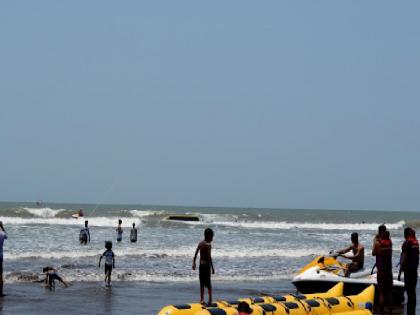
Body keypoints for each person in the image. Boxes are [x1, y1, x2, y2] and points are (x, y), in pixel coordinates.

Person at [372, 225, 393, 315]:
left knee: (381, 292)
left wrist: (375, 240)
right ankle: (390, 311)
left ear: (379, 232)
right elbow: (388, 238)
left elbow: (373, 253)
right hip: (389, 270)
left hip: (381, 272)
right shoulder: (390, 242)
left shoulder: (378, 243)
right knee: (389, 292)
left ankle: (382, 312)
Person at [398, 227, 419, 315]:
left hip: (408, 271)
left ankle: (410, 312)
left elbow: (403, 257)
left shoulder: (406, 243)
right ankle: (412, 312)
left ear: (405, 234)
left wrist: (400, 271)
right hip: (414, 270)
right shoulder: (416, 242)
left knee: (409, 292)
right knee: (412, 292)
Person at [192, 228, 215, 305]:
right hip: (206, 267)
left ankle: (202, 299)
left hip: (201, 266)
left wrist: (194, 262)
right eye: (211, 237)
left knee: (202, 283)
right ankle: (210, 299)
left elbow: (195, 253)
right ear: (207, 236)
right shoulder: (208, 245)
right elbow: (209, 257)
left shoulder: (200, 243)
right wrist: (212, 267)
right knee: (208, 284)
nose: (212, 239)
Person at [0, 222, 7, 296]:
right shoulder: (2, 233)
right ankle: (1, 293)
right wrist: (2, 227)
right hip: (0, 255)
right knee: (0, 274)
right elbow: (6, 237)